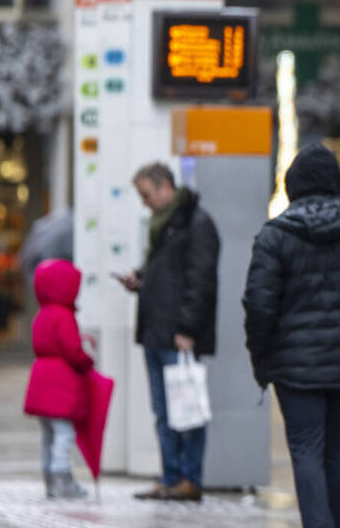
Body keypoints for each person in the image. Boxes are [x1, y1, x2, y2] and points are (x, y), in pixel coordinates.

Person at [244, 144, 340, 528]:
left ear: (293, 185)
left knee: (306, 451)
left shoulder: (275, 237)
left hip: (294, 367)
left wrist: (263, 355)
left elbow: (259, 306)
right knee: (337, 452)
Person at [118, 162, 221, 502]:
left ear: (165, 187)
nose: (143, 202)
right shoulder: (165, 224)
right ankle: (171, 476)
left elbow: (201, 280)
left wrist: (188, 328)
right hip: (156, 331)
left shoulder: (195, 223)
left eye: (146, 194)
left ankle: (190, 479)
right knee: (164, 411)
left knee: (186, 408)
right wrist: (140, 279)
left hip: (177, 334)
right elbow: (167, 274)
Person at [23, 260, 93, 499]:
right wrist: (87, 362)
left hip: (41, 384)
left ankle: (49, 479)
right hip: (60, 388)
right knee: (64, 434)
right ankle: (62, 477)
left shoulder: (41, 314)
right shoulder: (63, 316)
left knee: (49, 435)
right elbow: (72, 350)